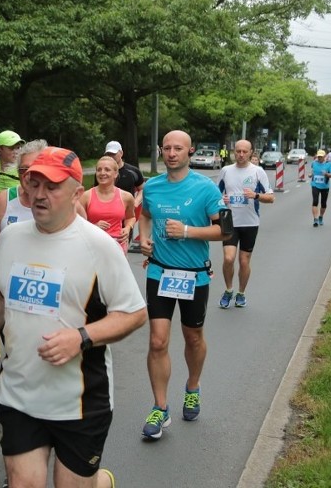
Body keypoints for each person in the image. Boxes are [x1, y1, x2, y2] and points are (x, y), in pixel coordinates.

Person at [0, 147, 147, 488]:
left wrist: (81, 337)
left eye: (51, 187)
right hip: (18, 393)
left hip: (80, 401)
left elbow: (134, 313)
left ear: (76, 193)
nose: (39, 194)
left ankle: (99, 482)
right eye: (33, 183)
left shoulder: (98, 246)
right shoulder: (10, 238)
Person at [138, 130, 227, 440]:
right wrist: (144, 238)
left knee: (193, 338)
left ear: (190, 152)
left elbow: (225, 232)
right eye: (167, 148)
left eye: (178, 148)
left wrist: (188, 231)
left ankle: (192, 386)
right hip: (160, 272)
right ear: (161, 151)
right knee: (157, 341)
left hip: (194, 275)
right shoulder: (152, 187)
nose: (172, 153)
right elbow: (145, 216)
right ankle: (160, 408)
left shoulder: (205, 188)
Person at [217, 140, 275, 309]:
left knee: (244, 261)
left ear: (251, 152)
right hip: (229, 221)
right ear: (233, 152)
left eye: (244, 151)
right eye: (238, 151)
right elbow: (214, 195)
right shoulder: (226, 171)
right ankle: (229, 290)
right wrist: (222, 200)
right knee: (228, 258)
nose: (241, 154)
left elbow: (271, 197)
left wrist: (255, 195)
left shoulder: (258, 172)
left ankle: (241, 293)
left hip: (250, 223)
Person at [0, 139, 48, 272]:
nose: (28, 175)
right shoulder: (4, 199)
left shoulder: (62, 201)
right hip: (7, 282)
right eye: (23, 170)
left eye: (35, 169)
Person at [78, 156, 136, 253]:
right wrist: (94, 226)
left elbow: (131, 217)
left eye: (107, 170)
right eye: (99, 170)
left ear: (116, 174)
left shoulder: (126, 197)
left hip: (118, 247)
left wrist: (127, 228)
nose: (102, 173)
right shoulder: (86, 196)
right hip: (93, 248)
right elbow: (76, 223)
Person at [102, 141, 145, 251]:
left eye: (113, 154)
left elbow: (143, 189)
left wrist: (135, 202)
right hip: (106, 217)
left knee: (121, 250)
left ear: (121, 153)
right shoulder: (102, 172)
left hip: (125, 217)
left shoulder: (133, 171)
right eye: (108, 154)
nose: (110, 156)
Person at [310, 149, 331, 227]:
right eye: (318, 157)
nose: (319, 158)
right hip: (315, 185)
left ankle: (321, 216)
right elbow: (312, 171)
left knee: (323, 203)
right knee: (315, 201)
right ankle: (315, 219)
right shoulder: (314, 163)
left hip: (325, 186)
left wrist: (326, 174)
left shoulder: (329, 164)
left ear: (324, 157)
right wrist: (310, 175)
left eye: (321, 157)